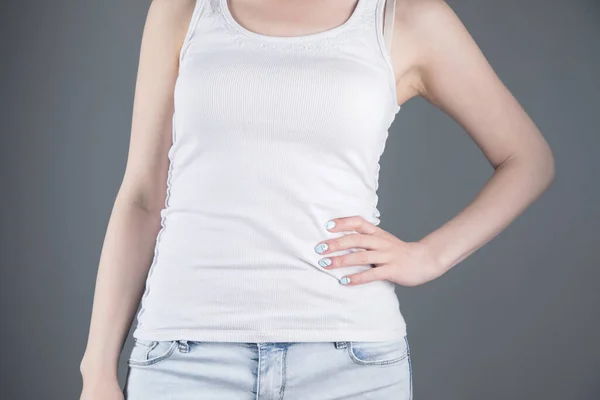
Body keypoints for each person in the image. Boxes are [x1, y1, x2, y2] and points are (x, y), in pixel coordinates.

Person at [79, 0, 555, 398]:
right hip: (183, 362)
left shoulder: (404, 16)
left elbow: (528, 158)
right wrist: (97, 369)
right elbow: (142, 195)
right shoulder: (185, 8)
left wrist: (429, 256)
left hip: (349, 364)